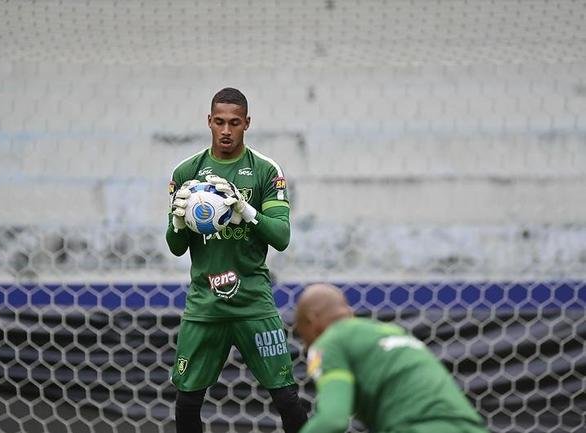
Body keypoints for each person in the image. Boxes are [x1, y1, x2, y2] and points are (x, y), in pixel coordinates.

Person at [165, 87, 307, 433]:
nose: (226, 131)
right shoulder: (187, 171)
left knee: (287, 399)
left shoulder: (265, 170)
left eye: (234, 123)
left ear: (247, 123)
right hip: (205, 305)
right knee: (186, 404)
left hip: (253, 302)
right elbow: (175, 247)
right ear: (208, 122)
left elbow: (281, 237)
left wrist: (246, 210)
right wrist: (177, 222)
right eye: (219, 122)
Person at [295, 283, 489, 433]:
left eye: (302, 336)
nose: (305, 346)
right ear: (349, 312)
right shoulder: (391, 331)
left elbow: (332, 420)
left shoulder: (329, 342)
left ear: (312, 321)